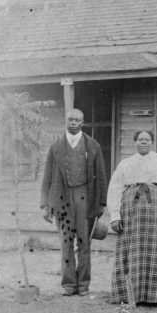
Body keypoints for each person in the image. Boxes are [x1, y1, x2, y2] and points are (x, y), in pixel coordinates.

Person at [108, 130, 157, 306]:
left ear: (152, 142)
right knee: (132, 247)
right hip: (131, 209)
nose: (143, 142)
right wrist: (115, 215)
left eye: (147, 139)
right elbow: (115, 189)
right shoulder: (126, 163)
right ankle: (130, 295)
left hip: (156, 208)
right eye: (140, 139)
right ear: (135, 142)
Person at [40, 109, 108, 296]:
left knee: (84, 242)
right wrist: (45, 204)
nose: (73, 123)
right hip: (62, 197)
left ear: (82, 123)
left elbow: (101, 175)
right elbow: (47, 177)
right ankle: (69, 284)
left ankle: (84, 284)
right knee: (66, 242)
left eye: (77, 120)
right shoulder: (55, 147)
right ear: (65, 121)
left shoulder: (92, 146)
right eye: (70, 119)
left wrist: (101, 202)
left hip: (85, 197)